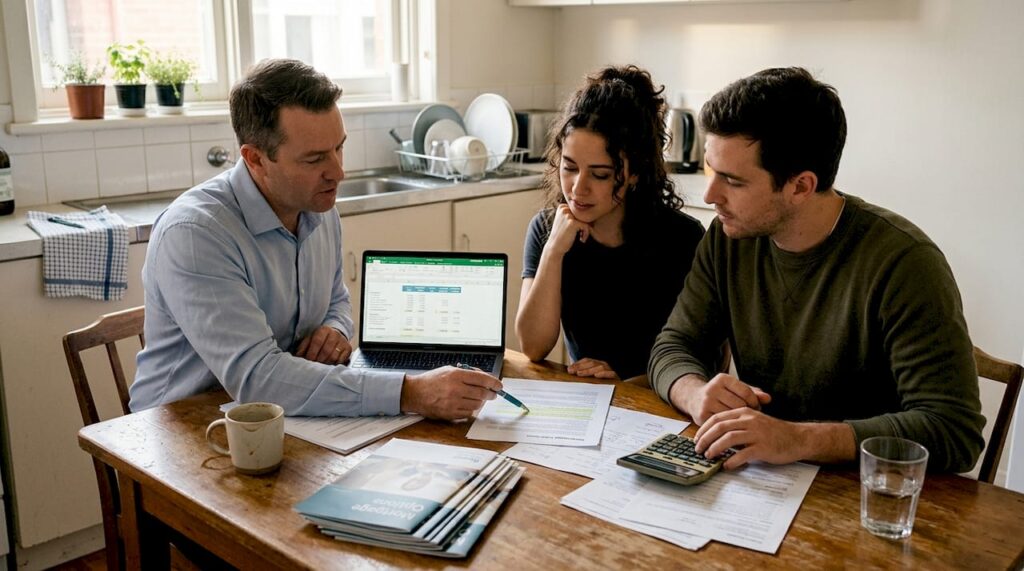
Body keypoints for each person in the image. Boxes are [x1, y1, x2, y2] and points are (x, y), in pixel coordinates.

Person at [649, 67, 985, 473]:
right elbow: (673, 345)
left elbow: (953, 430)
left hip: (865, 489)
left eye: (732, 181)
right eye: (709, 169)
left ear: (801, 186)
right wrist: (693, 393)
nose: (709, 195)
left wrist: (797, 438)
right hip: (761, 478)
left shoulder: (905, 263)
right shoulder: (728, 236)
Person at [129, 59, 500, 419]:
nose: (338, 172)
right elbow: (258, 378)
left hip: (279, 417)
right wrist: (410, 392)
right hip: (176, 429)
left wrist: (335, 329)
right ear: (255, 159)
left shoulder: (318, 207)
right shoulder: (196, 233)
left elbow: (336, 299)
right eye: (314, 159)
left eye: (339, 147)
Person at [516, 65, 705, 380]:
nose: (578, 189)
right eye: (569, 167)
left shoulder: (682, 238)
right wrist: (553, 251)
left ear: (635, 173)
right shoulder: (547, 229)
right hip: (590, 396)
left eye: (601, 174)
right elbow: (533, 347)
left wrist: (625, 384)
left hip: (657, 397)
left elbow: (706, 359)